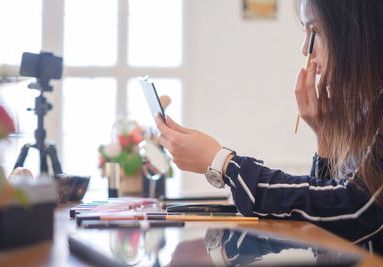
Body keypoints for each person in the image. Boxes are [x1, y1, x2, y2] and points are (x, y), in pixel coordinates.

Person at [156, 0, 383, 255]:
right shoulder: (368, 111)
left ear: (354, 34)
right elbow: (325, 227)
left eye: (315, 31)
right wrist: (325, 138)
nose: (304, 48)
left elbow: (354, 210)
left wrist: (223, 164)